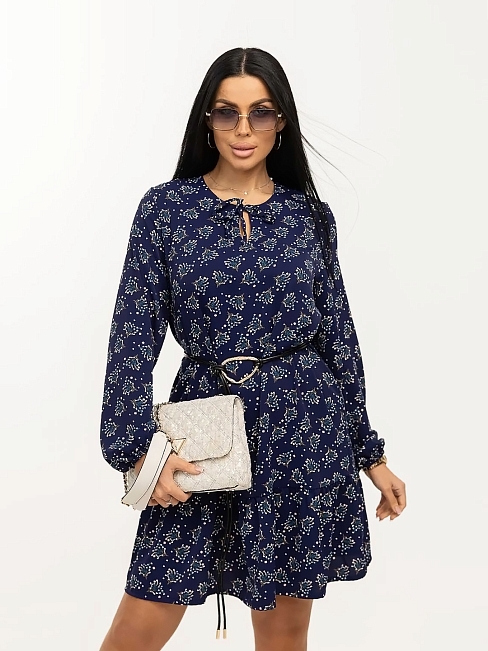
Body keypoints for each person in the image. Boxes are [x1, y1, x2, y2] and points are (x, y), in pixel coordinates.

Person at [98, 47, 406, 651]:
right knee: (142, 620)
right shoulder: (166, 210)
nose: (243, 130)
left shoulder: (310, 216)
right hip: (203, 432)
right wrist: (136, 451)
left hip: (303, 429)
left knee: (285, 631)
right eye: (227, 113)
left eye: (260, 113)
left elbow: (338, 338)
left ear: (280, 121)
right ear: (207, 120)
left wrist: (370, 454)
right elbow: (131, 337)